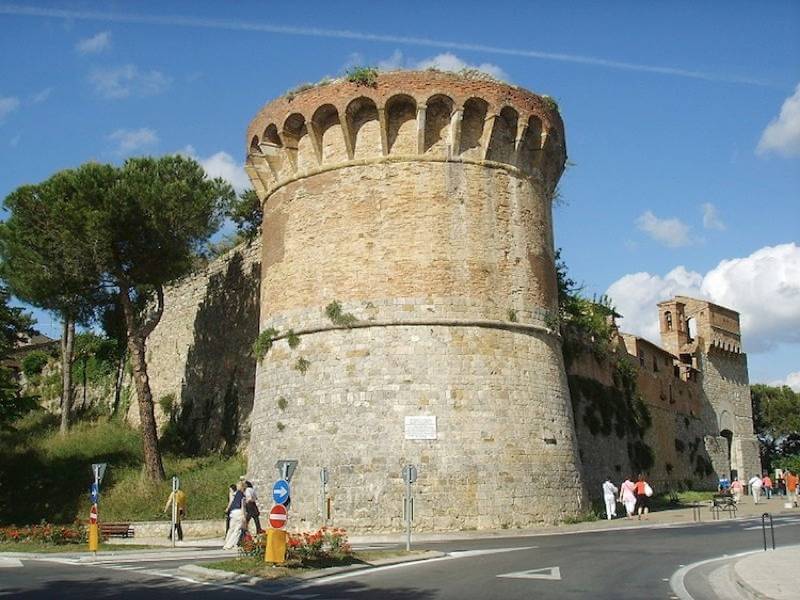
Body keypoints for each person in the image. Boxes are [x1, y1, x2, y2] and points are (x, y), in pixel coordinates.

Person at [223, 481, 246, 549]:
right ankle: (230, 545)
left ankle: (226, 543)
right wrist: (244, 515)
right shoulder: (242, 495)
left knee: (231, 528)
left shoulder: (235, 494)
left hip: (233, 512)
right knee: (237, 530)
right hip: (239, 512)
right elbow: (242, 506)